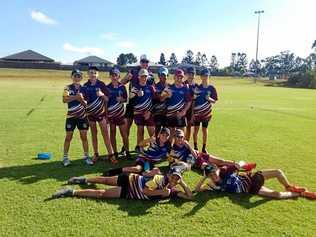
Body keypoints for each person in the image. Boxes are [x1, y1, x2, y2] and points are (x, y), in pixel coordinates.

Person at [52, 167, 193, 200]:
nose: (174, 180)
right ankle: (84, 179)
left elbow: (190, 196)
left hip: (130, 193)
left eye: (177, 179)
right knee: (105, 180)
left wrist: (183, 183)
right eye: (173, 177)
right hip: (131, 180)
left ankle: (70, 191)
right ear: (169, 174)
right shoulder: (161, 179)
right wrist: (160, 192)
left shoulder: (171, 191)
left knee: (102, 194)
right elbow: (146, 191)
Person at [195, 163, 316, 200]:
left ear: (217, 170)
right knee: (277, 195)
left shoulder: (224, 170)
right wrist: (204, 177)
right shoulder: (212, 184)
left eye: (213, 173)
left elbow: (238, 164)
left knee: (278, 171)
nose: (213, 176)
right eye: (210, 175)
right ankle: (301, 194)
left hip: (252, 178)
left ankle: (289, 186)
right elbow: (197, 189)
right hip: (251, 189)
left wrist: (242, 165)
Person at [103, 127, 171, 176]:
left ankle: (137, 174)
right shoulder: (154, 140)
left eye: (166, 135)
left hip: (150, 163)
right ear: (159, 134)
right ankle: (113, 172)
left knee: (156, 172)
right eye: (163, 134)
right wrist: (148, 140)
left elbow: (169, 156)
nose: (164, 137)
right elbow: (139, 146)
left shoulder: (167, 145)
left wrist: (173, 162)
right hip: (144, 158)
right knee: (137, 169)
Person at [82, 66, 116, 164]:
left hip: (101, 114)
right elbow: (83, 100)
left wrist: (101, 94)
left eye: (94, 73)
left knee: (106, 135)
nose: (93, 74)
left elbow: (107, 99)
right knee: (93, 134)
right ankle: (96, 154)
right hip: (90, 114)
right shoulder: (85, 85)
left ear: (98, 74)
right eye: (91, 72)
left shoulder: (101, 84)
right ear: (88, 74)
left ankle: (111, 155)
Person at [121, 54, 155, 152]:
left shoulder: (151, 75)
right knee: (127, 126)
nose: (145, 63)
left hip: (145, 105)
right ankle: (125, 147)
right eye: (143, 61)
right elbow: (122, 83)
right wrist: (127, 77)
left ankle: (140, 147)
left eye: (146, 62)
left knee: (142, 127)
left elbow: (153, 91)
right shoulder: (133, 72)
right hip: (132, 103)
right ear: (140, 62)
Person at [61, 69, 93, 166]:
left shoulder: (85, 88)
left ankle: (86, 157)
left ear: (81, 77)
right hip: (71, 116)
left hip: (82, 117)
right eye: (75, 76)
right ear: (72, 77)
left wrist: (82, 99)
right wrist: (76, 97)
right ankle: (65, 158)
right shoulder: (67, 88)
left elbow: (86, 104)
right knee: (68, 137)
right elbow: (64, 100)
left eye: (79, 76)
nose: (77, 78)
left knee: (84, 137)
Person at [161, 69, 192, 141]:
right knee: (170, 137)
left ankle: (179, 151)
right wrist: (166, 95)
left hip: (180, 115)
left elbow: (189, 101)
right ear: (174, 77)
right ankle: (169, 151)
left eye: (181, 77)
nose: (179, 79)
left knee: (181, 136)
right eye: (178, 77)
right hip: (170, 115)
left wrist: (184, 111)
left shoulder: (185, 88)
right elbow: (161, 99)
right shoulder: (169, 87)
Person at [106, 67, 130, 159]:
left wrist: (121, 99)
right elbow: (105, 102)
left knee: (124, 134)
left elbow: (125, 99)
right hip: (111, 115)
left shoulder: (122, 87)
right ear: (110, 76)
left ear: (119, 76)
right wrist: (106, 116)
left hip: (121, 115)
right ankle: (115, 152)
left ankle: (127, 152)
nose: (114, 77)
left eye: (116, 75)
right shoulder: (107, 88)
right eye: (112, 75)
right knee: (112, 133)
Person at [192, 68, 218, 153]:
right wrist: (192, 113)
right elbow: (193, 101)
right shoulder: (197, 88)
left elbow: (215, 101)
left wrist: (209, 99)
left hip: (206, 114)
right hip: (197, 113)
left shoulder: (212, 88)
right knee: (196, 130)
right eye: (203, 75)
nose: (205, 77)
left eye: (207, 75)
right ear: (201, 77)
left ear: (209, 76)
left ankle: (204, 148)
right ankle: (195, 147)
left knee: (204, 130)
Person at [131, 68, 156, 151]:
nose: (143, 78)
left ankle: (153, 148)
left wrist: (149, 112)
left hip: (149, 113)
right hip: (138, 113)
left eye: (145, 76)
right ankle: (140, 148)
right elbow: (131, 101)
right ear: (138, 77)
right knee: (140, 131)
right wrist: (136, 95)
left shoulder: (151, 88)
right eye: (142, 76)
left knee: (152, 132)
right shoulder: (135, 88)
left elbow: (155, 102)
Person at [153, 67, 169, 137]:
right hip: (157, 113)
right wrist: (165, 95)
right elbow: (159, 98)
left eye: (165, 75)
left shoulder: (170, 86)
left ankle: (166, 147)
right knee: (157, 131)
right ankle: (156, 146)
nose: (163, 77)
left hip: (167, 113)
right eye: (161, 75)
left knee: (167, 131)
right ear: (159, 76)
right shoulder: (155, 86)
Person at [184, 66, 197, 142]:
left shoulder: (196, 86)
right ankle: (177, 145)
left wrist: (193, 114)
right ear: (186, 74)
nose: (191, 76)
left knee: (189, 128)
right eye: (189, 74)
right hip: (182, 110)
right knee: (179, 128)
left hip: (191, 111)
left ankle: (186, 144)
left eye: (193, 74)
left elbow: (195, 101)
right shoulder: (182, 84)